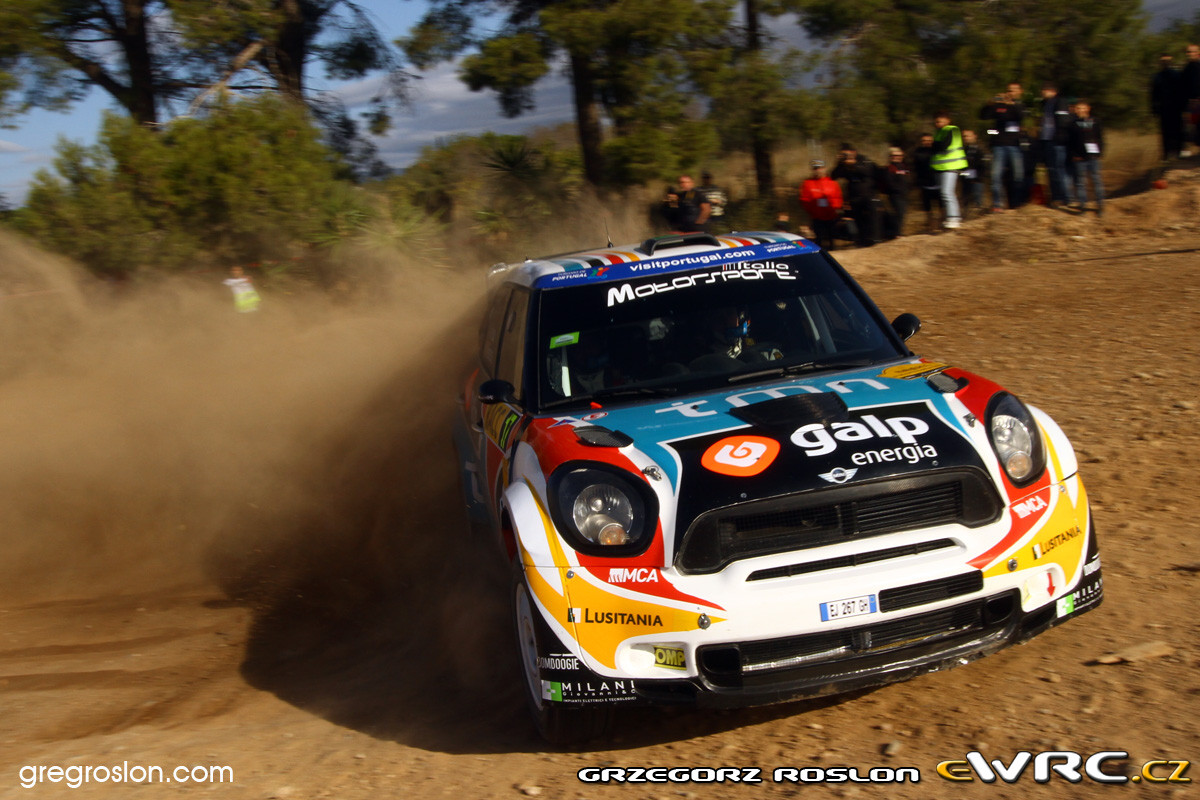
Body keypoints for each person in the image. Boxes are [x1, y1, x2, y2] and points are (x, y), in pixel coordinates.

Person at [980, 82, 1026, 210]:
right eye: (1009, 90)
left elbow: (1020, 116)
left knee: (1018, 175)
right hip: (999, 144)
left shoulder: (1020, 105)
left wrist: (1012, 104)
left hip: (1015, 145)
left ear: (1019, 92)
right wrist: (990, 103)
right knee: (996, 175)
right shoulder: (999, 105)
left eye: (1013, 91)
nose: (1010, 93)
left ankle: (1017, 203)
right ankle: (997, 204)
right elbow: (983, 116)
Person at [831, 143, 879, 246]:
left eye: (847, 154)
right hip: (854, 196)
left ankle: (874, 240)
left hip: (868, 195)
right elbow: (833, 176)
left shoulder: (864, 160)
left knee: (872, 218)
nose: (846, 157)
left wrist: (853, 164)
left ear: (853, 152)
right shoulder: (844, 164)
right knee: (858, 219)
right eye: (843, 155)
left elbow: (867, 172)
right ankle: (861, 241)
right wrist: (839, 163)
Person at [1036, 82, 1074, 207]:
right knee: (1051, 170)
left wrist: (1059, 137)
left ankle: (1066, 197)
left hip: (1057, 141)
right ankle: (1056, 197)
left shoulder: (1060, 101)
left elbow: (1062, 122)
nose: (1042, 92)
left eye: (1045, 90)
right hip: (1047, 140)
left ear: (1052, 91)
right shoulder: (1045, 104)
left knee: (1060, 169)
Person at [1068, 99, 1104, 215]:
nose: (1080, 110)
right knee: (1080, 182)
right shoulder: (1073, 124)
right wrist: (1074, 155)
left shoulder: (1095, 121)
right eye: (1078, 108)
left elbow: (1100, 138)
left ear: (1088, 108)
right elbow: (1071, 141)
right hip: (1079, 158)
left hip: (1093, 157)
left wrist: (1099, 153)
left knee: (1096, 181)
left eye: (1082, 108)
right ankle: (1082, 206)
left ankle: (1100, 206)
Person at [932, 112, 967, 229]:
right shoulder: (939, 133)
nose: (938, 124)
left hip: (951, 166)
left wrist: (935, 145)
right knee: (944, 193)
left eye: (940, 121)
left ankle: (954, 218)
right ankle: (949, 218)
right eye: (936, 121)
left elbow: (942, 146)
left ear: (948, 120)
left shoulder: (952, 130)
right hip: (941, 168)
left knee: (947, 192)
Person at [799, 159, 843, 250]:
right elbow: (804, 199)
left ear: (824, 169)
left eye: (820, 168)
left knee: (831, 236)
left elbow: (838, 197)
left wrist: (835, 209)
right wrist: (812, 211)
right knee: (818, 237)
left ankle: (833, 250)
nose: (818, 171)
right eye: (815, 169)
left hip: (831, 215)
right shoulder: (807, 183)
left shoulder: (833, 183)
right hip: (816, 216)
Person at [1151, 54, 1185, 161]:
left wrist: (1183, 106)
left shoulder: (1176, 75)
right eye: (1163, 61)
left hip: (1175, 108)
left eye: (1167, 61)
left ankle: (1178, 152)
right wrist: (1154, 108)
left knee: (1177, 130)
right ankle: (1166, 154)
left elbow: (1181, 92)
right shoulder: (1157, 77)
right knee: (1165, 132)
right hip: (1164, 109)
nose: (1165, 63)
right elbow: (1153, 94)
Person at [879, 147, 911, 239]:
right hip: (895, 195)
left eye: (899, 155)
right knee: (899, 213)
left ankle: (898, 232)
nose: (897, 157)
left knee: (902, 213)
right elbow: (889, 182)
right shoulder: (889, 168)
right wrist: (897, 190)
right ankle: (896, 233)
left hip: (904, 194)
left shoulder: (904, 167)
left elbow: (908, 179)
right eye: (894, 155)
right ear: (890, 157)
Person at [911, 133, 940, 233]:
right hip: (925, 182)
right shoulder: (918, 152)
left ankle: (941, 224)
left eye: (929, 140)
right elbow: (918, 163)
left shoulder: (937, 150)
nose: (927, 142)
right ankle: (930, 227)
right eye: (924, 140)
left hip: (938, 182)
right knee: (927, 207)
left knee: (942, 205)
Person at [960, 129, 987, 219]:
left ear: (975, 136)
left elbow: (983, 165)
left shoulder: (980, 150)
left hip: (977, 180)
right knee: (965, 201)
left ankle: (978, 219)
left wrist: (978, 177)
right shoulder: (963, 150)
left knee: (977, 202)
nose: (966, 138)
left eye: (968, 136)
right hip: (965, 180)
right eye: (964, 136)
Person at [1182, 44, 1200, 155]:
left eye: (1192, 52)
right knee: (1189, 127)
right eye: (1188, 52)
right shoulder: (1186, 69)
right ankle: (1188, 151)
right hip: (1190, 103)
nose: (1190, 54)